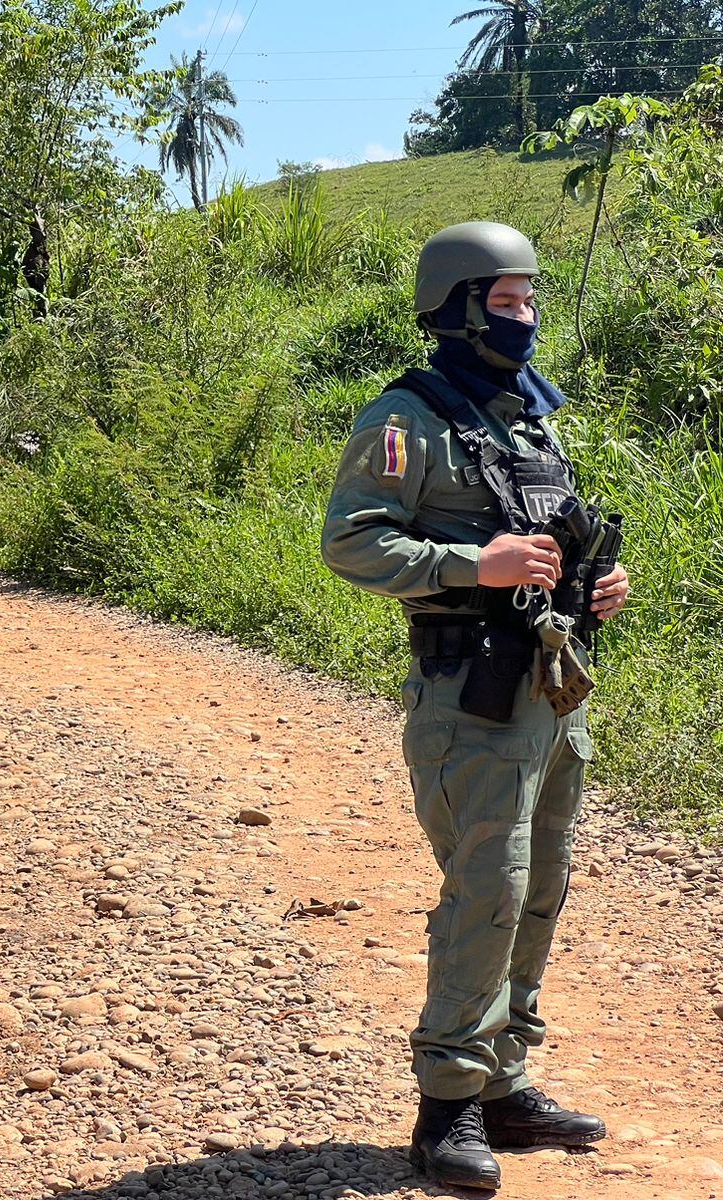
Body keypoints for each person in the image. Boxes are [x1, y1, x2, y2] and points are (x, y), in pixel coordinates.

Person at [322, 222, 631, 1192]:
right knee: (486, 890)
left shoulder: (526, 417)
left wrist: (591, 587)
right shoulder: (406, 417)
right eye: (507, 301)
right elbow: (351, 542)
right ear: (457, 308)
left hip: (551, 690)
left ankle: (505, 1085)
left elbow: (548, 541)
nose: (526, 316)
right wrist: (471, 564)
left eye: (531, 299)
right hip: (471, 695)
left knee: (541, 887)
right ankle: (445, 1108)